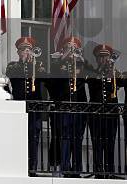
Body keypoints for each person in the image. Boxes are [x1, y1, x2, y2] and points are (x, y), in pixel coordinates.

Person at [48, 36, 89, 178]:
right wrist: (64, 58)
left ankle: (77, 170)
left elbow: (93, 74)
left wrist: (82, 59)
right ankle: (66, 168)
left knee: (77, 139)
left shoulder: (82, 65)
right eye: (69, 47)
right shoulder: (58, 64)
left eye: (74, 47)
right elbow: (53, 76)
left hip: (79, 108)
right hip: (64, 108)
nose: (72, 50)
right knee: (65, 139)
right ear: (63, 49)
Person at [5, 36, 46, 174]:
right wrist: (23, 63)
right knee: (19, 138)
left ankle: (32, 167)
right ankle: (18, 166)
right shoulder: (13, 66)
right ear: (18, 52)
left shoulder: (38, 66)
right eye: (24, 50)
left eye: (29, 49)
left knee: (34, 138)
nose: (27, 52)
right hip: (19, 108)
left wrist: (35, 65)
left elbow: (46, 79)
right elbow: (11, 73)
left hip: (34, 108)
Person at [86, 43, 122, 178]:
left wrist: (114, 72)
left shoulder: (114, 74)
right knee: (97, 143)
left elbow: (122, 83)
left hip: (111, 114)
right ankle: (98, 172)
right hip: (96, 114)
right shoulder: (92, 73)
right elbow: (92, 84)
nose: (104, 60)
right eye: (101, 57)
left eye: (106, 57)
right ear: (96, 59)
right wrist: (102, 70)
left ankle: (110, 171)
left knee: (110, 143)